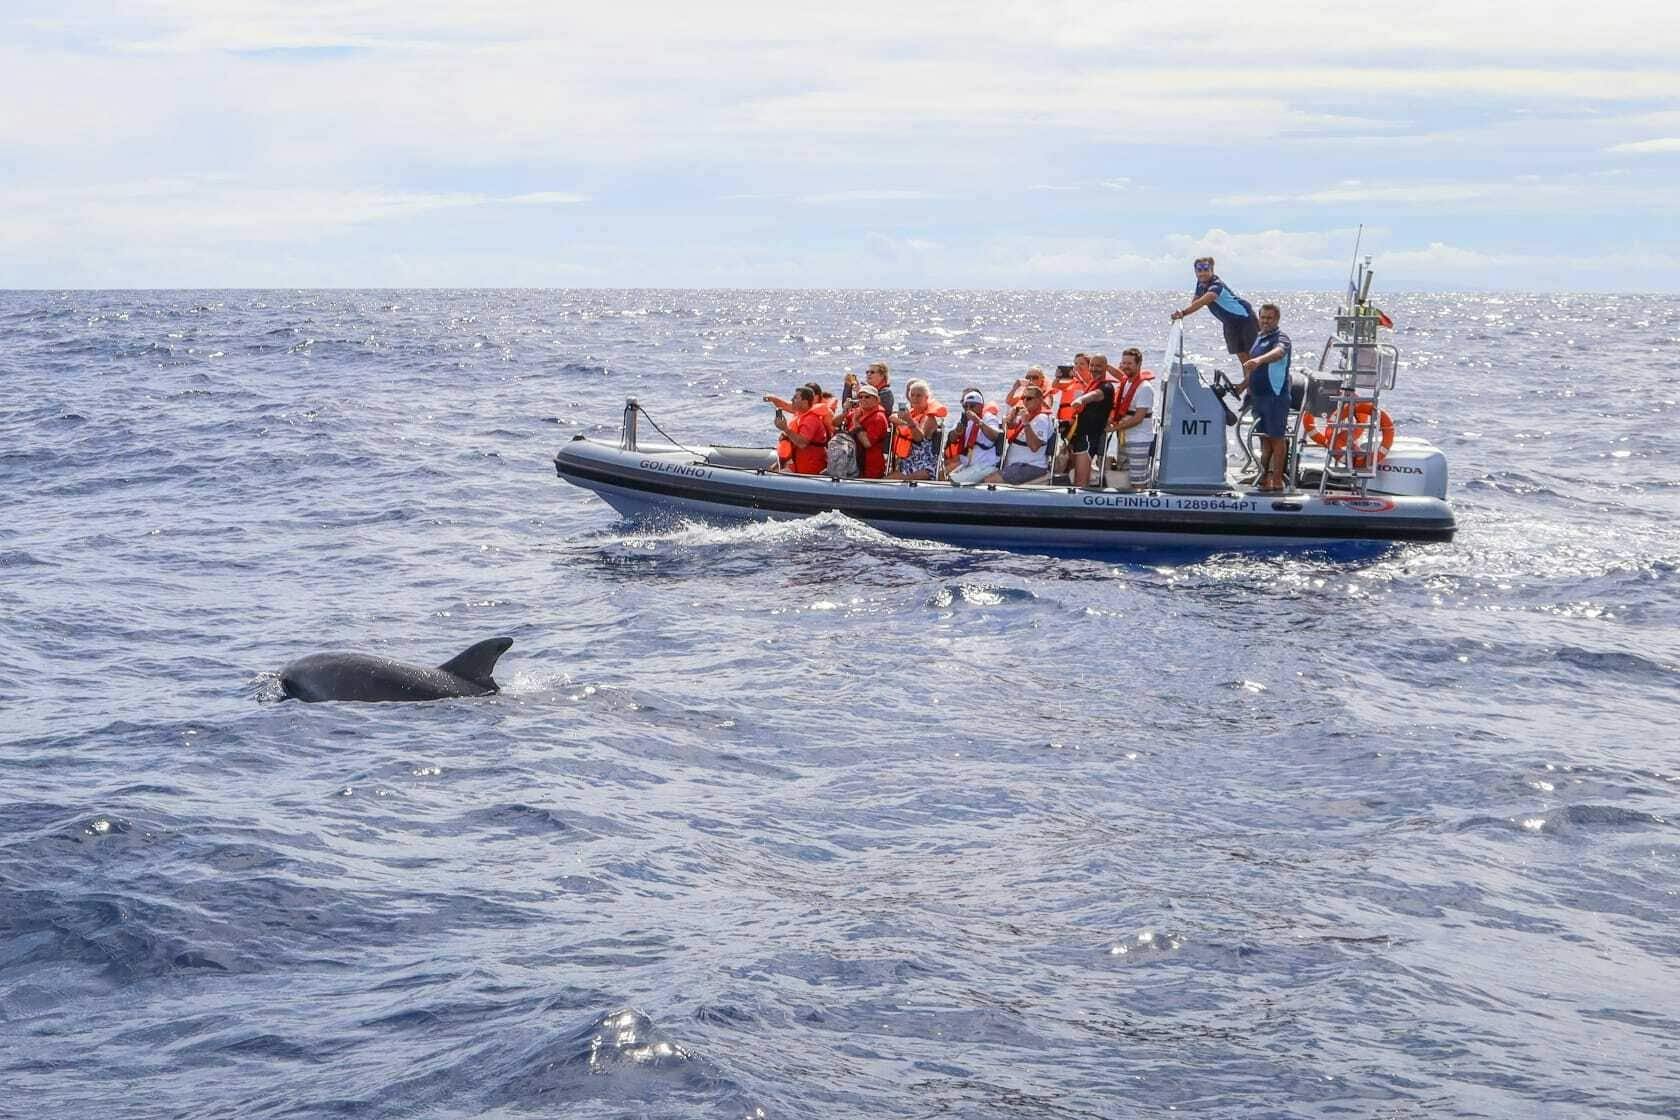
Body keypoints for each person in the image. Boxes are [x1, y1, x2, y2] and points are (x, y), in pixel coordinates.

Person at [1238, 303, 1293, 492]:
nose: (1265, 321)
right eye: (1263, 318)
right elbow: (1253, 369)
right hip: (1258, 397)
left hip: (1275, 397)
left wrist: (1259, 360)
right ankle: (1264, 477)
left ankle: (1277, 481)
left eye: (1269, 318)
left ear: (1276, 320)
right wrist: (1242, 386)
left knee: (1276, 438)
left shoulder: (1282, 338)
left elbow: (1278, 353)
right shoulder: (1259, 337)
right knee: (1263, 439)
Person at [1170, 256, 1260, 359]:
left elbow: (1203, 301)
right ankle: (1247, 376)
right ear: (1195, 272)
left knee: (1254, 357)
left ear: (1212, 270)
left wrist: (1183, 313)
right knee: (1243, 358)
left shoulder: (1216, 286)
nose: (1202, 273)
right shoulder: (1201, 284)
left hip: (1245, 319)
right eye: (1199, 270)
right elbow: (1195, 302)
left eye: (1206, 270)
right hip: (1229, 324)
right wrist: (1181, 312)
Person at [1107, 347, 1156, 490]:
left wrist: (1113, 428)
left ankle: (1142, 505)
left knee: (1138, 477)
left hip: (1139, 438)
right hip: (1124, 436)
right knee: (1124, 473)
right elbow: (1118, 374)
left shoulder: (1145, 388)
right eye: (1123, 363)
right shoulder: (1126, 382)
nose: (1125, 366)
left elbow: (1138, 418)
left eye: (1129, 364)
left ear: (1138, 365)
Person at [986, 382, 1054, 484]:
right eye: (1023, 398)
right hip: (1015, 464)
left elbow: (1035, 446)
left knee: (990, 481)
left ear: (1040, 400)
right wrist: (1012, 416)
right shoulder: (1028, 415)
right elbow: (1008, 427)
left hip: (1030, 465)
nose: (1025, 401)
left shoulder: (1041, 419)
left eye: (1029, 398)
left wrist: (1026, 423)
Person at [1066, 353, 1117, 487]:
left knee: (1080, 480)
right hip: (1081, 435)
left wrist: (1080, 400)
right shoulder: (1093, 384)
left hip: (1090, 437)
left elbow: (1095, 395)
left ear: (1106, 367)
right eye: (1092, 365)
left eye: (1099, 366)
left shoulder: (1106, 387)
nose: (1094, 369)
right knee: (1075, 473)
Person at [887, 379, 946, 480]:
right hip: (908, 462)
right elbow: (892, 417)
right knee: (888, 479)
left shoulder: (929, 418)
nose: (915, 398)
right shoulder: (912, 413)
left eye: (919, 396)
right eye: (912, 395)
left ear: (926, 398)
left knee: (896, 479)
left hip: (924, 465)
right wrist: (906, 421)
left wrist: (910, 421)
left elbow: (919, 438)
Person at [944, 388, 1003, 485]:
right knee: (946, 475)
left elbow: (995, 436)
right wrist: (957, 431)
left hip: (986, 464)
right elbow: (952, 438)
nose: (968, 409)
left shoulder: (989, 418)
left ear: (980, 406)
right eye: (965, 406)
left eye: (972, 406)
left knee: (955, 481)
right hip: (969, 463)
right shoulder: (964, 420)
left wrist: (978, 421)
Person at [772, 386, 830, 475]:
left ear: (805, 402)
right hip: (798, 465)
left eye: (795, 398)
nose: (792, 399)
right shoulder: (801, 416)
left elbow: (802, 443)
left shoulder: (811, 420)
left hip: (810, 470)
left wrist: (785, 429)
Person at [840, 383, 891, 479]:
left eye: (867, 397)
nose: (863, 399)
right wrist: (845, 411)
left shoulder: (878, 418)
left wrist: (856, 422)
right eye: (860, 397)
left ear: (877, 400)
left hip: (869, 466)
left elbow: (867, 443)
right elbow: (835, 423)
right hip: (853, 461)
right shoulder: (859, 411)